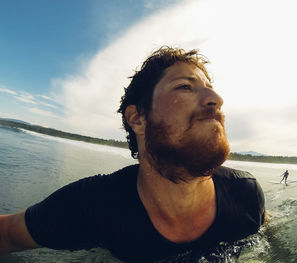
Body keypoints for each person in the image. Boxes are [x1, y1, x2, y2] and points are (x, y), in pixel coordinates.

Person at [0, 47, 267, 262]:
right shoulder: (94, 206)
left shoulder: (246, 197)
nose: (216, 98)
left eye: (211, 87)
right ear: (138, 119)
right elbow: (7, 235)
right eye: (185, 86)